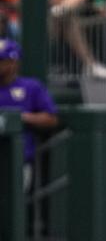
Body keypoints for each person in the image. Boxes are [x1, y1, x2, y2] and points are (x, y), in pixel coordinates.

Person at [0, 39, 58, 191]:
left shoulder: (30, 87)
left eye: (2, 61)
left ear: (13, 62)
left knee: (13, 206)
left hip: (18, 160)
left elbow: (51, 119)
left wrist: (22, 118)